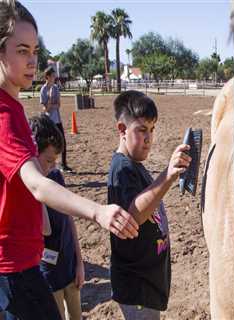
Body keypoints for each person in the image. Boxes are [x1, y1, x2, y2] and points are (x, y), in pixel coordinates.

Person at [0, 2, 138, 319]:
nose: (32, 60)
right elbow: (36, 183)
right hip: (14, 271)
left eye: (34, 49)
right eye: (21, 50)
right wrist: (97, 211)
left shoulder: (15, 108)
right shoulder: (5, 115)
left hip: (23, 263)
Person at [108, 90, 191, 319]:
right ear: (122, 130)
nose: (148, 138)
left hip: (147, 283)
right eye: (142, 130)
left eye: (152, 130)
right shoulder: (121, 169)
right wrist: (168, 175)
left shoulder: (135, 166)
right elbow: (132, 215)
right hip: (136, 286)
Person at [30, 115, 83, 320]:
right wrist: (37, 189)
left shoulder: (56, 176)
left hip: (69, 268)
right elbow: (45, 229)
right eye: (49, 160)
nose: (53, 166)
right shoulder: (28, 189)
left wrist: (79, 263)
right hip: (47, 275)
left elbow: (69, 219)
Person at [40, 66, 72, 172]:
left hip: (57, 120)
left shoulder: (56, 88)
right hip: (48, 121)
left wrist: (52, 104)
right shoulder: (43, 89)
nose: (54, 77)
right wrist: (49, 100)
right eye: (53, 76)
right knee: (48, 145)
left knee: (62, 141)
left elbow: (58, 105)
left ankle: (64, 164)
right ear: (47, 77)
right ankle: (47, 165)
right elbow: (46, 109)